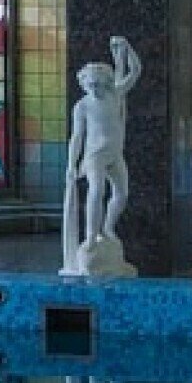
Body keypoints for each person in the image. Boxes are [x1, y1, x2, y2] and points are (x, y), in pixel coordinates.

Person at [61, 36, 141, 276]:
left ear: (106, 83)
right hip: (94, 156)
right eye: (90, 85)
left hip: (114, 154)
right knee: (96, 191)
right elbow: (77, 137)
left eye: (98, 84)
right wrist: (72, 164)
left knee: (121, 194)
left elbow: (135, 71)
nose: (94, 89)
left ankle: (107, 228)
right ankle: (91, 237)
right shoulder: (82, 106)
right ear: (84, 84)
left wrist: (127, 48)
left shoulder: (115, 95)